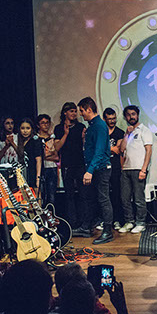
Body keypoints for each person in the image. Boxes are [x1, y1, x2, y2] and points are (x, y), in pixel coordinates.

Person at [73, 97, 114, 244]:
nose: (81, 114)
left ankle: (108, 232)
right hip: (94, 168)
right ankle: (86, 227)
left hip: (101, 169)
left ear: (89, 109)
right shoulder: (92, 126)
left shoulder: (99, 125)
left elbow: (99, 151)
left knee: (103, 199)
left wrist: (89, 170)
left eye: (82, 111)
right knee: (90, 198)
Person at [119, 105, 153, 235]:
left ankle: (140, 223)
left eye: (133, 114)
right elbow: (122, 149)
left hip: (138, 169)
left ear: (137, 115)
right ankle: (129, 221)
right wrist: (127, 134)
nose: (131, 117)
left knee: (139, 198)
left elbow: (148, 151)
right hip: (126, 168)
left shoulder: (144, 130)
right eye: (128, 115)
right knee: (125, 198)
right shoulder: (127, 132)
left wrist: (144, 169)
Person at [53, 102, 86, 232]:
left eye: (75, 111)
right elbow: (57, 147)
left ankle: (83, 222)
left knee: (83, 194)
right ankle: (72, 222)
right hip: (67, 165)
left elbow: (84, 146)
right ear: (65, 112)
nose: (74, 113)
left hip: (80, 164)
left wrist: (84, 138)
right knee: (69, 195)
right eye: (71, 111)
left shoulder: (81, 127)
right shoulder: (59, 128)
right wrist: (66, 134)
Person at [103, 107, 125, 231]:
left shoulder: (119, 132)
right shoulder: (102, 132)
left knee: (116, 194)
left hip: (115, 167)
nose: (112, 121)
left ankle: (117, 220)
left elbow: (117, 149)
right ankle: (106, 220)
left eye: (114, 118)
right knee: (104, 195)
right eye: (109, 119)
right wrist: (109, 148)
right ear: (104, 119)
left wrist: (104, 148)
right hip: (102, 166)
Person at [36, 113, 59, 208]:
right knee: (41, 193)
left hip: (51, 167)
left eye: (47, 123)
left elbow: (57, 157)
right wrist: (47, 155)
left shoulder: (52, 138)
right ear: (38, 125)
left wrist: (46, 156)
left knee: (51, 194)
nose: (45, 125)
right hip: (40, 169)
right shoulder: (36, 138)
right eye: (43, 123)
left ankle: (51, 213)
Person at [16, 118, 42, 196]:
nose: (25, 131)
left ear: (31, 129)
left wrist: (38, 178)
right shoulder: (20, 141)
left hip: (34, 173)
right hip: (24, 173)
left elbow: (38, 160)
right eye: (23, 128)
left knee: (36, 196)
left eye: (28, 128)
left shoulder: (35, 141)